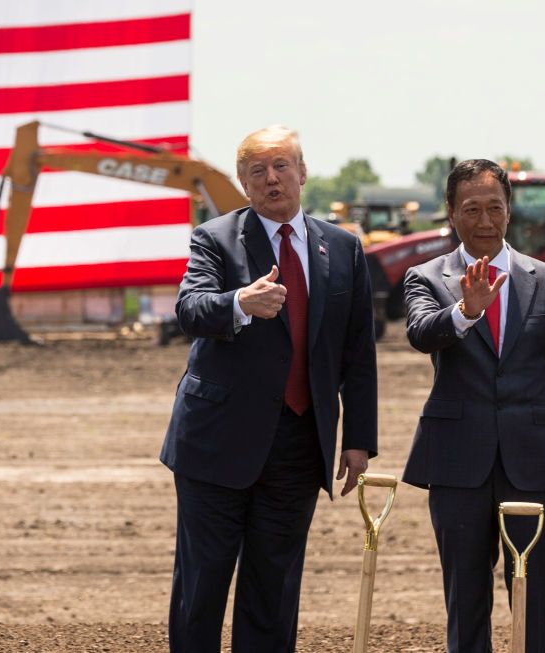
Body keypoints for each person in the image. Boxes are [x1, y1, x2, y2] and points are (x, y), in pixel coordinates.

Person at [160, 125, 377, 653]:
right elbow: (189, 310)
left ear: (303, 173)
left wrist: (358, 439)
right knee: (202, 588)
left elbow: (358, 352)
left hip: (299, 447)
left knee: (273, 590)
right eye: (258, 171)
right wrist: (238, 303)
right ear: (243, 182)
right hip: (216, 445)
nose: (272, 178)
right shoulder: (215, 238)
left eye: (282, 166)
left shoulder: (345, 248)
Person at [403, 159, 545, 653]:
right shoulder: (427, 276)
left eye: (495, 208)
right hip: (458, 466)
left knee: (536, 602)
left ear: (509, 213)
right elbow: (421, 334)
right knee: (466, 602)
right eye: (471, 209)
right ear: (451, 213)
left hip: (538, 465)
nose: (484, 221)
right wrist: (466, 311)